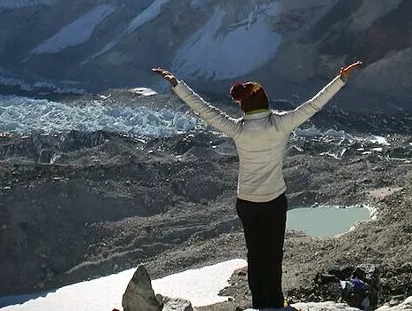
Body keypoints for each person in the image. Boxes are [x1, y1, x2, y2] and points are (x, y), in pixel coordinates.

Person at [152, 61, 364, 310]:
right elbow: (314, 105)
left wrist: (177, 84)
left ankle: (259, 304)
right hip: (274, 201)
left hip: (247, 203)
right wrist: (340, 79)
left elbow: (204, 110)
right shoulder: (281, 124)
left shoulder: (238, 129)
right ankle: (274, 303)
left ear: (246, 106)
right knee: (273, 257)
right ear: (265, 102)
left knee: (255, 256)